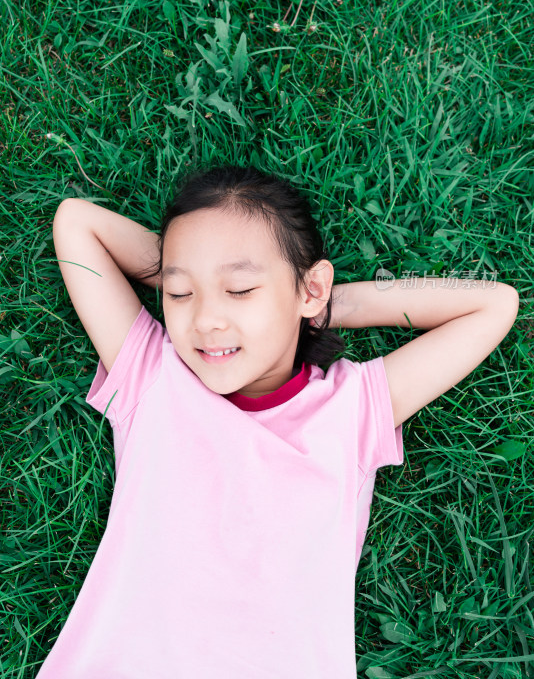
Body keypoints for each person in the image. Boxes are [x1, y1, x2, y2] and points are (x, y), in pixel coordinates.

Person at [37, 163, 519, 678]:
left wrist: (323, 304)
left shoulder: (350, 410)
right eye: (179, 295)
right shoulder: (155, 379)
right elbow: (76, 224)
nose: (204, 319)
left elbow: (493, 305)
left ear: (310, 289)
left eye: (240, 290)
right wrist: (194, 270)